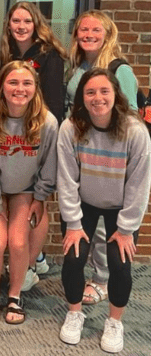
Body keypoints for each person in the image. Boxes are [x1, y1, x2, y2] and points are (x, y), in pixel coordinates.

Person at [57, 68, 150, 353]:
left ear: (116, 95)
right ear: (81, 98)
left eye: (104, 91)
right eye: (90, 92)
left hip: (119, 206)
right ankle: (74, 313)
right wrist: (73, 223)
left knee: (120, 265)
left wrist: (126, 229)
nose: (97, 98)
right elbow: (66, 179)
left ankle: (114, 321)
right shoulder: (70, 127)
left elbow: (139, 184)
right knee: (74, 259)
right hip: (83, 203)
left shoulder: (135, 131)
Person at [65, 10, 139, 307]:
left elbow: (130, 114)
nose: (89, 34)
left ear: (108, 33)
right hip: (79, 147)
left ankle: (102, 280)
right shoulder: (79, 67)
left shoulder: (119, 69)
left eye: (96, 30)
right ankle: (92, 277)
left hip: (107, 156)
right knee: (86, 218)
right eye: (84, 29)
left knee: (100, 228)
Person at [0, 61, 58, 324]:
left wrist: (40, 197)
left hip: (26, 190)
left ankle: (14, 296)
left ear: (35, 88)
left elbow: (50, 164)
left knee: (19, 242)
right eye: (13, 82)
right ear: (1, 86)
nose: (19, 89)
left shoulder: (47, 121)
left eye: (26, 83)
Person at [0, 1, 67, 288]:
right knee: (11, 200)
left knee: (38, 200)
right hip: (10, 130)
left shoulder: (49, 55)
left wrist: (42, 132)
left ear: (36, 23)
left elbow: (51, 100)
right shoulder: (6, 52)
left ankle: (31, 261)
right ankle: (20, 258)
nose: (21, 26)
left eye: (26, 21)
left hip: (40, 131)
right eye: (16, 21)